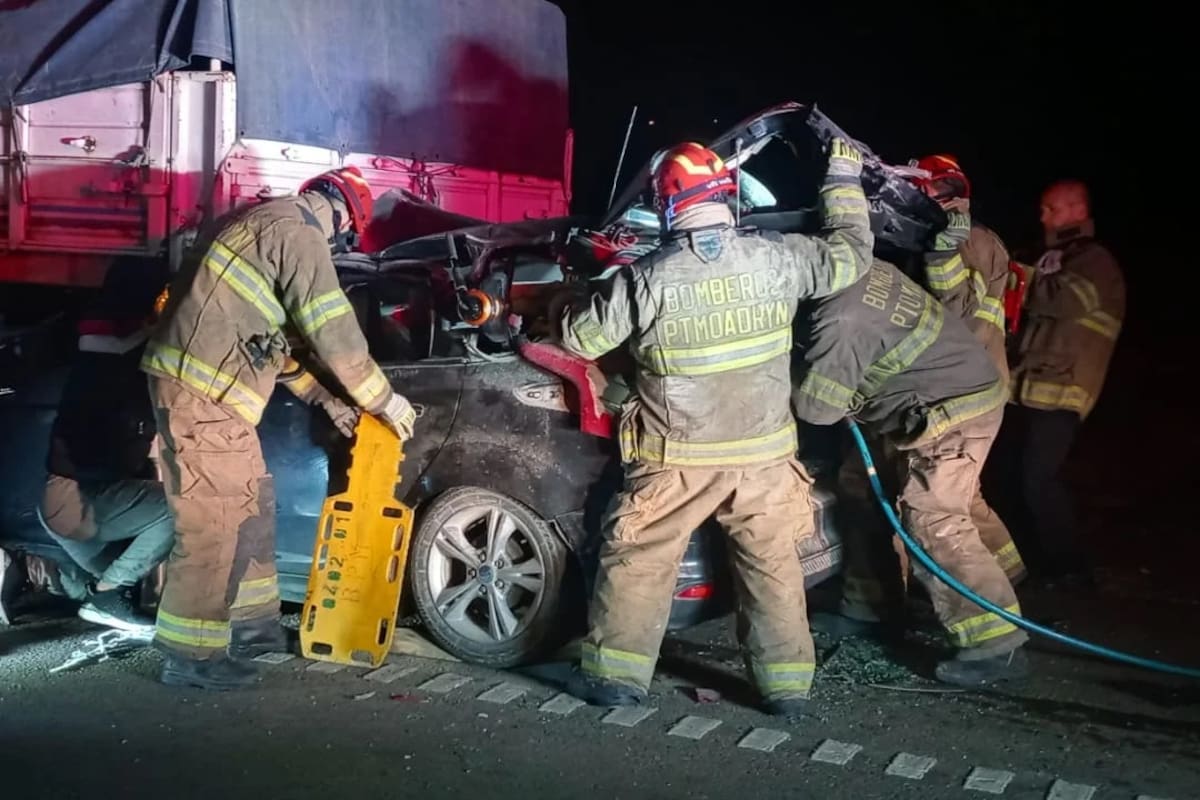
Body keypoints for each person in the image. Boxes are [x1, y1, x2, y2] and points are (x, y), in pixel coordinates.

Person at [558, 136, 875, 716]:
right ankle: (786, 687)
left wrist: (597, 285)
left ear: (665, 206)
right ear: (727, 196)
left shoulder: (647, 279)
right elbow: (851, 255)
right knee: (772, 564)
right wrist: (843, 180)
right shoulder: (779, 258)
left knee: (640, 555)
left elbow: (580, 339)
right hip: (765, 456)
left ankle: (616, 679)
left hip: (676, 458)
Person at [141, 166, 417, 690]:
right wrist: (384, 399)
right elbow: (333, 330)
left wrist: (327, 400)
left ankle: (254, 628)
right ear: (343, 219)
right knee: (216, 520)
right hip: (203, 397)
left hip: (212, 398)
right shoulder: (297, 231)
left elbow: (276, 351)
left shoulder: (267, 226)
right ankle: (189, 654)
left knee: (251, 507)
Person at [791, 250, 1029, 687]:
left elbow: (817, 410)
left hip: (954, 411)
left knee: (932, 518)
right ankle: (870, 608)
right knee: (860, 490)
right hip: (912, 406)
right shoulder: (863, 269)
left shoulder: (841, 318)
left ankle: (995, 640)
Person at [987, 178, 1125, 586]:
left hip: (1062, 392)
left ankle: (1071, 569)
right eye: (1043, 209)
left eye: (1053, 209)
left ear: (1079, 211)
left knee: (1038, 480)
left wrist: (1014, 275)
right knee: (1007, 478)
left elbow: (1063, 300)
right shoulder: (1051, 256)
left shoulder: (1096, 261)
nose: (1043, 217)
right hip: (1023, 390)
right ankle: (1028, 566)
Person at [38, 259, 173, 635]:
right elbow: (107, 343)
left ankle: (73, 584)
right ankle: (106, 597)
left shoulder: (118, 357)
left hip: (74, 507)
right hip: (79, 503)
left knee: (123, 563)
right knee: (179, 510)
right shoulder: (101, 341)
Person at [910, 155, 1026, 585]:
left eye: (923, 191)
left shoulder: (971, 240)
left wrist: (937, 254)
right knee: (964, 493)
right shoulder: (962, 237)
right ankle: (1011, 577)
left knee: (946, 501)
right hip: (969, 385)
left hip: (965, 391)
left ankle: (993, 595)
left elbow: (957, 312)